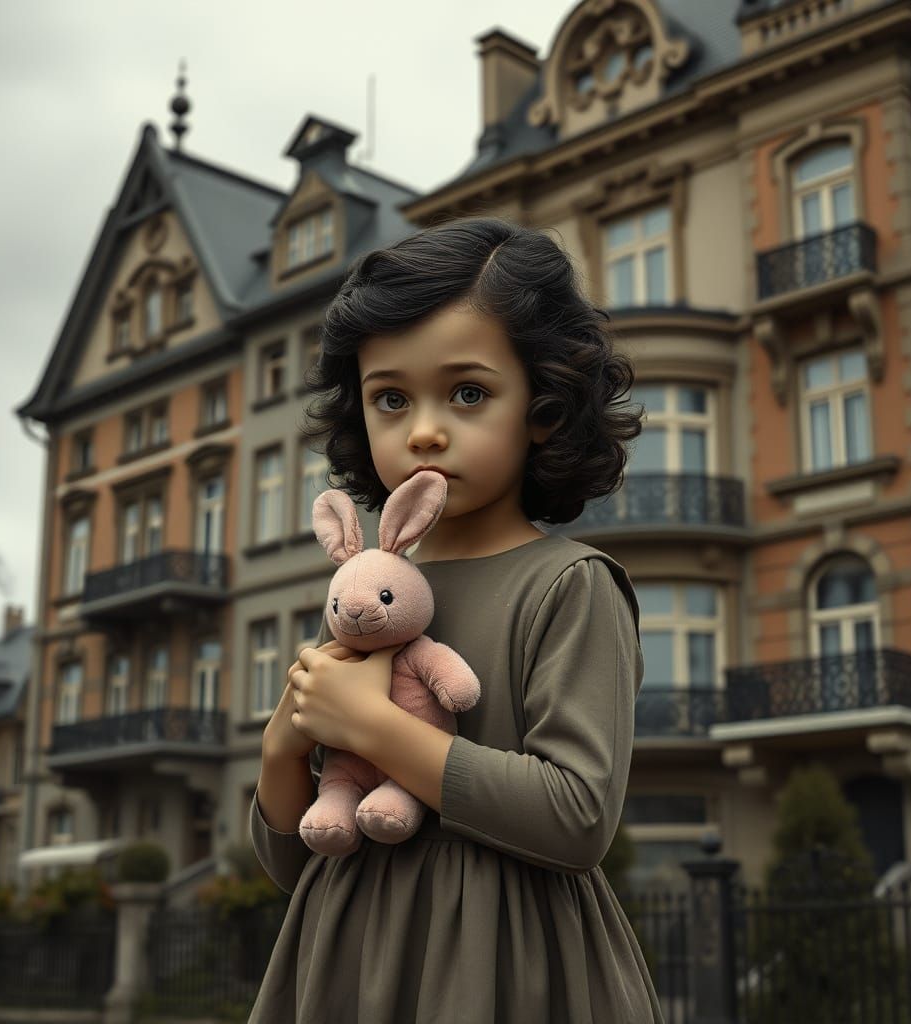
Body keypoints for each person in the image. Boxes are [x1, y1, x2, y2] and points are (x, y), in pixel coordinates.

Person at [248, 216, 661, 1023]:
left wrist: (370, 727)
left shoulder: (572, 585)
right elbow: (292, 863)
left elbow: (577, 819)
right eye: (391, 399)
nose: (424, 430)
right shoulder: (367, 596)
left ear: (544, 407)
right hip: (345, 963)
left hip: (505, 967)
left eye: (468, 392)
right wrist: (280, 747)